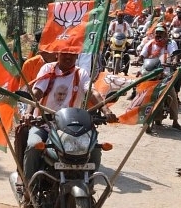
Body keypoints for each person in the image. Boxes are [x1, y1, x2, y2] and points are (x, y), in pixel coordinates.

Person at [21, 47, 117, 186]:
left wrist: (106, 110)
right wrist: (29, 113)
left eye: (72, 54)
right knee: (32, 146)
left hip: (71, 127)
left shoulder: (81, 73)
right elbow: (37, 92)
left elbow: (92, 93)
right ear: (57, 53)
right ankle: (29, 187)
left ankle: (89, 186)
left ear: (77, 56)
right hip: (44, 123)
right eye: (64, 53)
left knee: (94, 149)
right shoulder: (48, 69)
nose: (68, 57)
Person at [136, 25, 181, 131]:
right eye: (157, 32)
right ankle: (137, 112)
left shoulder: (170, 44)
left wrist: (174, 61)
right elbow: (142, 54)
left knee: (172, 94)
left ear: (165, 34)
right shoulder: (150, 43)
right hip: (149, 73)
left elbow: (174, 54)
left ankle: (175, 121)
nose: (158, 35)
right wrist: (138, 59)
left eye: (161, 33)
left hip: (165, 74)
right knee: (138, 89)